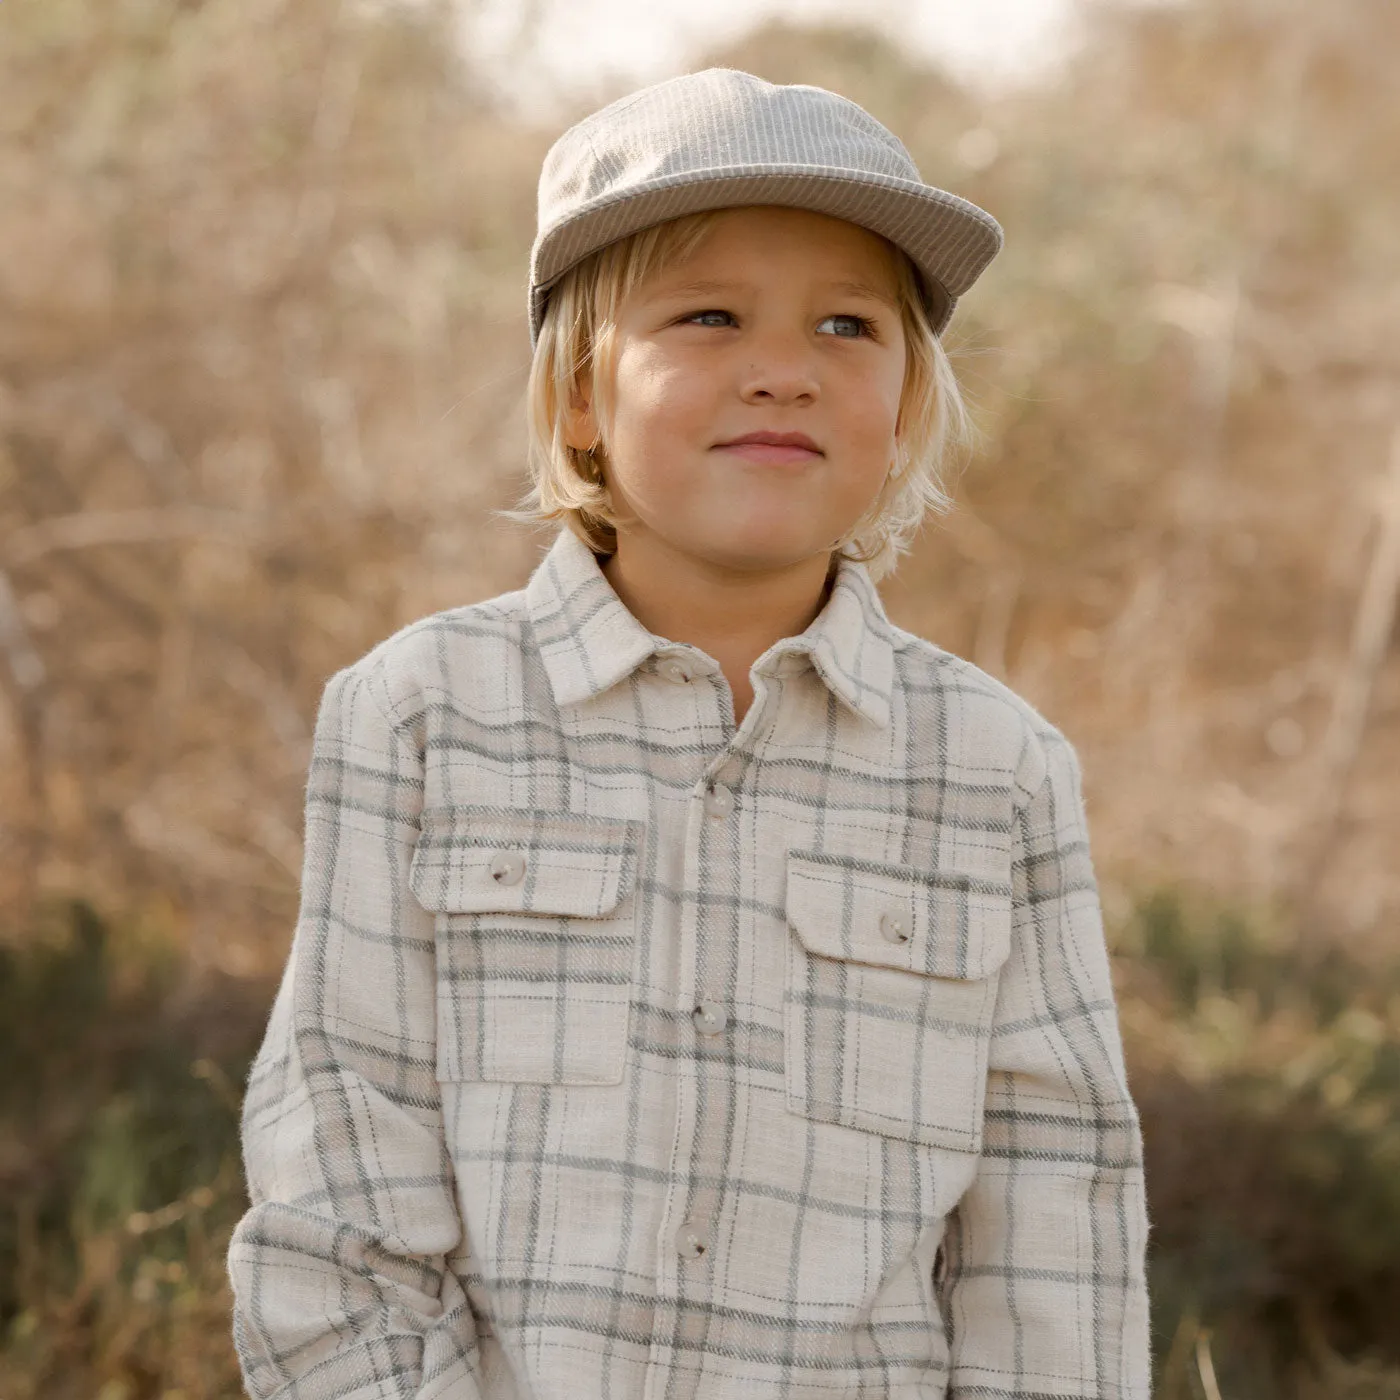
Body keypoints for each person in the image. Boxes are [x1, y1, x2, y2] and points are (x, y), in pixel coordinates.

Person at [227, 66, 1151, 1400]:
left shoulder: (995, 770)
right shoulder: (422, 718)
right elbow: (338, 1171)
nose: (783, 371)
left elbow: (1055, 1217)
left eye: (848, 326)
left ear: (902, 408)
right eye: (707, 316)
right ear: (582, 396)